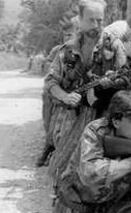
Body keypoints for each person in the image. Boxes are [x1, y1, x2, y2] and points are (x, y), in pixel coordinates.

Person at [44, 0, 131, 178]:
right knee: (65, 167)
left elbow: (127, 79)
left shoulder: (113, 46)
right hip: (72, 116)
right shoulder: (67, 50)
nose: (96, 25)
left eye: (100, 20)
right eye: (91, 20)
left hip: (103, 115)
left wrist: (110, 83)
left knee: (97, 169)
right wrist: (65, 97)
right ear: (80, 20)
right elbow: (51, 82)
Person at [36, 18, 80, 167]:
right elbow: (49, 71)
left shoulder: (79, 50)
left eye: (70, 34)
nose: (67, 38)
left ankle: (58, 150)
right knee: (49, 121)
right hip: (55, 93)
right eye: (65, 35)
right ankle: (48, 147)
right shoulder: (58, 50)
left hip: (71, 94)